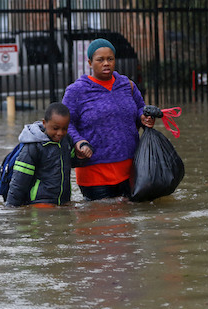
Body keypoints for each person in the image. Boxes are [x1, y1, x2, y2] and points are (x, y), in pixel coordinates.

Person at [62, 38, 157, 201]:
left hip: (130, 170)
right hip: (94, 173)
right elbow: (66, 123)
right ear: (90, 62)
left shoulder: (127, 85)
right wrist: (78, 142)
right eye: (100, 60)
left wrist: (144, 117)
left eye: (110, 59)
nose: (106, 63)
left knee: (128, 222)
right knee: (103, 221)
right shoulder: (77, 91)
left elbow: (140, 108)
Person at [6, 102, 79, 207]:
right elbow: (19, 181)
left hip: (62, 201)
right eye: (55, 128)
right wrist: (11, 207)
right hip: (39, 202)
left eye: (65, 129)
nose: (60, 133)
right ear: (44, 123)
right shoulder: (33, 147)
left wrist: (82, 156)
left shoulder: (66, 141)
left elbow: (72, 162)